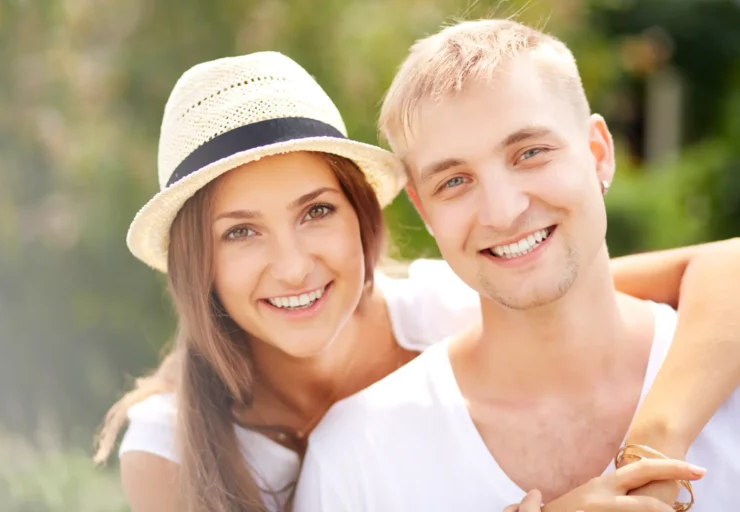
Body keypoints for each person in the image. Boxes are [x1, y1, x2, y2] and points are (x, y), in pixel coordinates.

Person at [94, 51, 740, 512]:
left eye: (316, 212)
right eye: (240, 232)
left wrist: (650, 455)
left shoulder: (443, 307)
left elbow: (716, 269)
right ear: (196, 263)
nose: (291, 266)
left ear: (362, 217)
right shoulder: (172, 442)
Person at [293, 19, 740, 512]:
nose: (503, 211)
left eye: (530, 153)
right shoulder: (357, 459)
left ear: (598, 154)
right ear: (424, 212)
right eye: (454, 181)